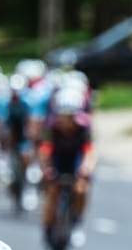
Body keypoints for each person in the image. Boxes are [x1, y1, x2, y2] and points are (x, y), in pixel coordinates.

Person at [40, 91, 96, 235]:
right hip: (57, 159)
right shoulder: (51, 126)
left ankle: (77, 221)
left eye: (70, 116)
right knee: (52, 191)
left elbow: (89, 150)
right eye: (63, 116)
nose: (66, 120)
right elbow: (45, 150)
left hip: (76, 159)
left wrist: (86, 167)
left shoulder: (84, 126)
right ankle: (47, 228)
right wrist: (46, 167)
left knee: (81, 189)